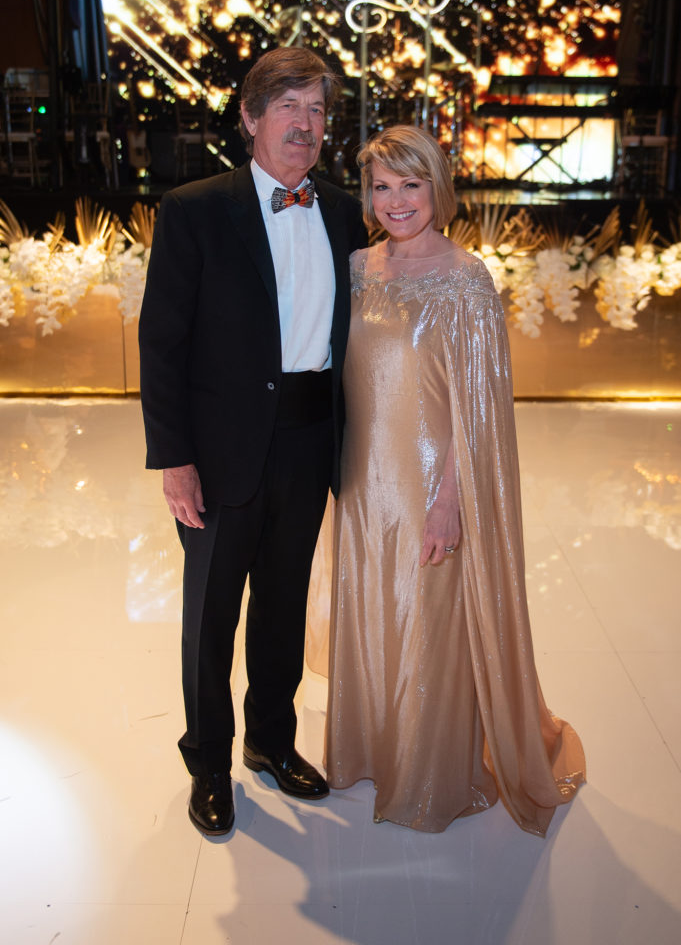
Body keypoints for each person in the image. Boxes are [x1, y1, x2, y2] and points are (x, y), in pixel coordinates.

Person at [324, 126, 585, 836]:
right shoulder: (354, 267)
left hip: (430, 483)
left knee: (428, 624)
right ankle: (374, 747)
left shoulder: (465, 278)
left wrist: (451, 503)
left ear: (437, 189)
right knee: (375, 609)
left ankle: (429, 771)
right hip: (360, 479)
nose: (395, 201)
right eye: (381, 186)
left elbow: (481, 408)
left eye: (410, 184)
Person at [139, 47, 367, 836]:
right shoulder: (195, 208)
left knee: (283, 605)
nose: (304, 125)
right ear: (249, 118)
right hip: (220, 446)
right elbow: (161, 341)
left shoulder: (341, 211)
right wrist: (174, 458)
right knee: (210, 616)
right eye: (287, 108)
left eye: (316, 110)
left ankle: (272, 742)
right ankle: (207, 761)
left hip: (309, 439)